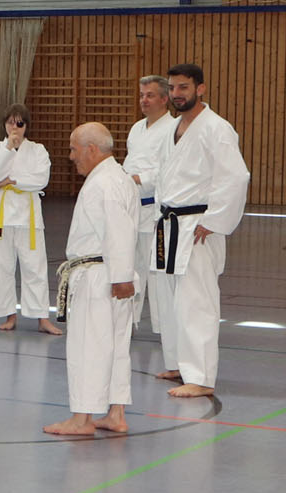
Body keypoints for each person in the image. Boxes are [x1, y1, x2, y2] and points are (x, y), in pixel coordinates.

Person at [154, 63, 251, 400]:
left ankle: (202, 377)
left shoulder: (216, 128)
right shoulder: (174, 127)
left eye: (183, 87)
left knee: (198, 302)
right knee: (174, 301)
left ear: (200, 89)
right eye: (172, 88)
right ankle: (181, 365)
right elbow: (165, 176)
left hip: (198, 226)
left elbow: (236, 177)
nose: (176, 94)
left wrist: (215, 220)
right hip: (172, 224)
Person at [44, 124, 139, 437]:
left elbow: (118, 230)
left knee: (89, 346)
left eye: (74, 149)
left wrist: (121, 277)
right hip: (113, 274)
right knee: (116, 346)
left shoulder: (104, 183)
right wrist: (123, 275)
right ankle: (116, 413)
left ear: (92, 149)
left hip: (101, 277)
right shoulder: (118, 177)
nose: (71, 156)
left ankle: (82, 419)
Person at [0, 104, 61, 335]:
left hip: (29, 216)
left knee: (35, 267)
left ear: (27, 126)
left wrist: (12, 180)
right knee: (1, 267)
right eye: (10, 122)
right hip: (0, 217)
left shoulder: (38, 150)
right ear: (4, 124)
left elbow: (41, 180)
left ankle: (42, 318)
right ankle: (9, 315)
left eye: (20, 123)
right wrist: (8, 148)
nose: (15, 128)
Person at [123, 75, 180, 380]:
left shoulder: (173, 129)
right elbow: (129, 163)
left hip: (156, 209)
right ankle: (128, 320)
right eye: (142, 95)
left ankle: (163, 328)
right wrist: (124, 178)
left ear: (164, 99)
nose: (144, 100)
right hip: (131, 208)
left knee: (157, 272)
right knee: (130, 268)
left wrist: (139, 179)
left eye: (150, 95)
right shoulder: (136, 128)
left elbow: (167, 170)